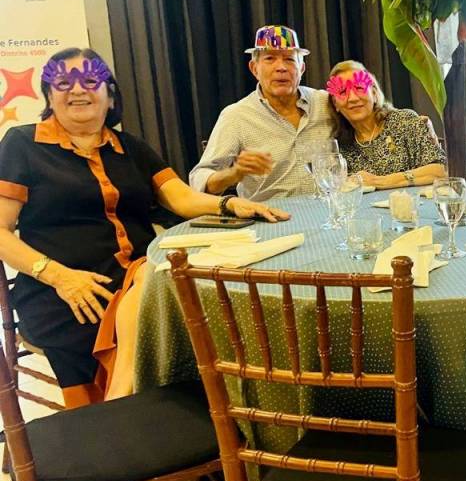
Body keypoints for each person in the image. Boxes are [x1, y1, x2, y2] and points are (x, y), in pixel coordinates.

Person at [0, 48, 288, 408]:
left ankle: (136, 405)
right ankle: (130, 410)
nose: (77, 89)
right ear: (48, 94)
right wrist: (60, 277)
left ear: (110, 96)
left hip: (138, 277)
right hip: (67, 292)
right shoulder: (22, 145)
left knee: (190, 299)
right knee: (165, 302)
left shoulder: (130, 147)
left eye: (90, 80)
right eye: (63, 82)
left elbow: (180, 197)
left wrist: (228, 203)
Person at [189, 25, 337, 201]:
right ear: (254, 68)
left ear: (302, 68)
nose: (281, 67)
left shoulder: (326, 103)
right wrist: (234, 173)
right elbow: (199, 180)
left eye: (289, 59)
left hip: (328, 211)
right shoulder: (236, 116)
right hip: (269, 215)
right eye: (270, 58)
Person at [327, 60, 446, 188]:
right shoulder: (341, 148)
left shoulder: (404, 121)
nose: (353, 98)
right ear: (335, 104)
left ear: (374, 94)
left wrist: (381, 181)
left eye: (360, 88)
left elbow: (441, 170)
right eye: (342, 92)